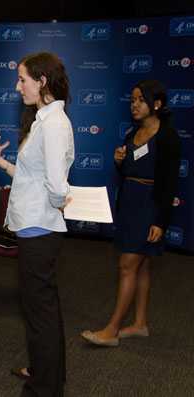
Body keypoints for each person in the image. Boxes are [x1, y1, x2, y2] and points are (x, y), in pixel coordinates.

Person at [0, 52, 74, 397]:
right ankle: (48, 375)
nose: (17, 85)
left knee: (40, 316)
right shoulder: (44, 119)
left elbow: (55, 187)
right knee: (43, 313)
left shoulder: (53, 124)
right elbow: (32, 177)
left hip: (40, 229)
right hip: (37, 227)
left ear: (42, 81)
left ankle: (43, 388)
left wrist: (58, 203)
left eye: (22, 79)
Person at [81, 80, 181, 347]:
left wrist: (161, 220)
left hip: (150, 206)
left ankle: (112, 330)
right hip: (130, 204)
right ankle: (139, 324)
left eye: (140, 100)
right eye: (132, 100)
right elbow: (127, 173)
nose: (134, 104)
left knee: (127, 265)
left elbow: (170, 182)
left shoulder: (168, 136)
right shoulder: (131, 134)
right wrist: (118, 162)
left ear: (156, 104)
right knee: (143, 264)